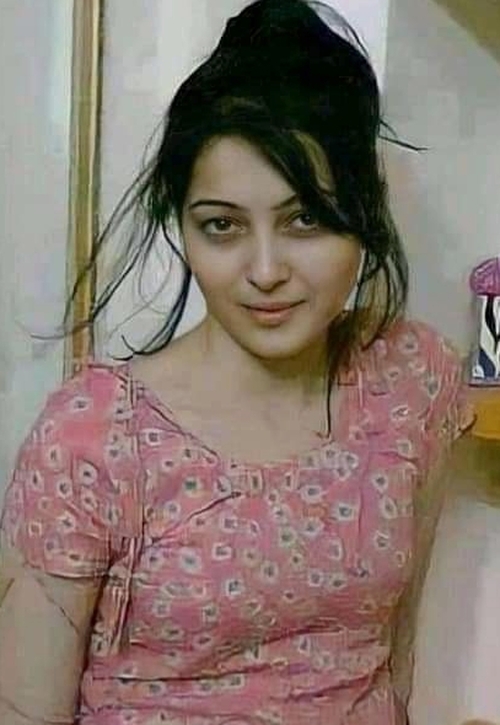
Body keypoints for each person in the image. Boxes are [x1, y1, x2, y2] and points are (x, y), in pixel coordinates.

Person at [0, 1, 478, 723]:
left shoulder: (413, 379)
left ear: (365, 211)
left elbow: (395, 654)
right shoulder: (93, 436)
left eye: (305, 219)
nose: (264, 271)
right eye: (222, 226)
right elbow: (24, 708)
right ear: (181, 223)